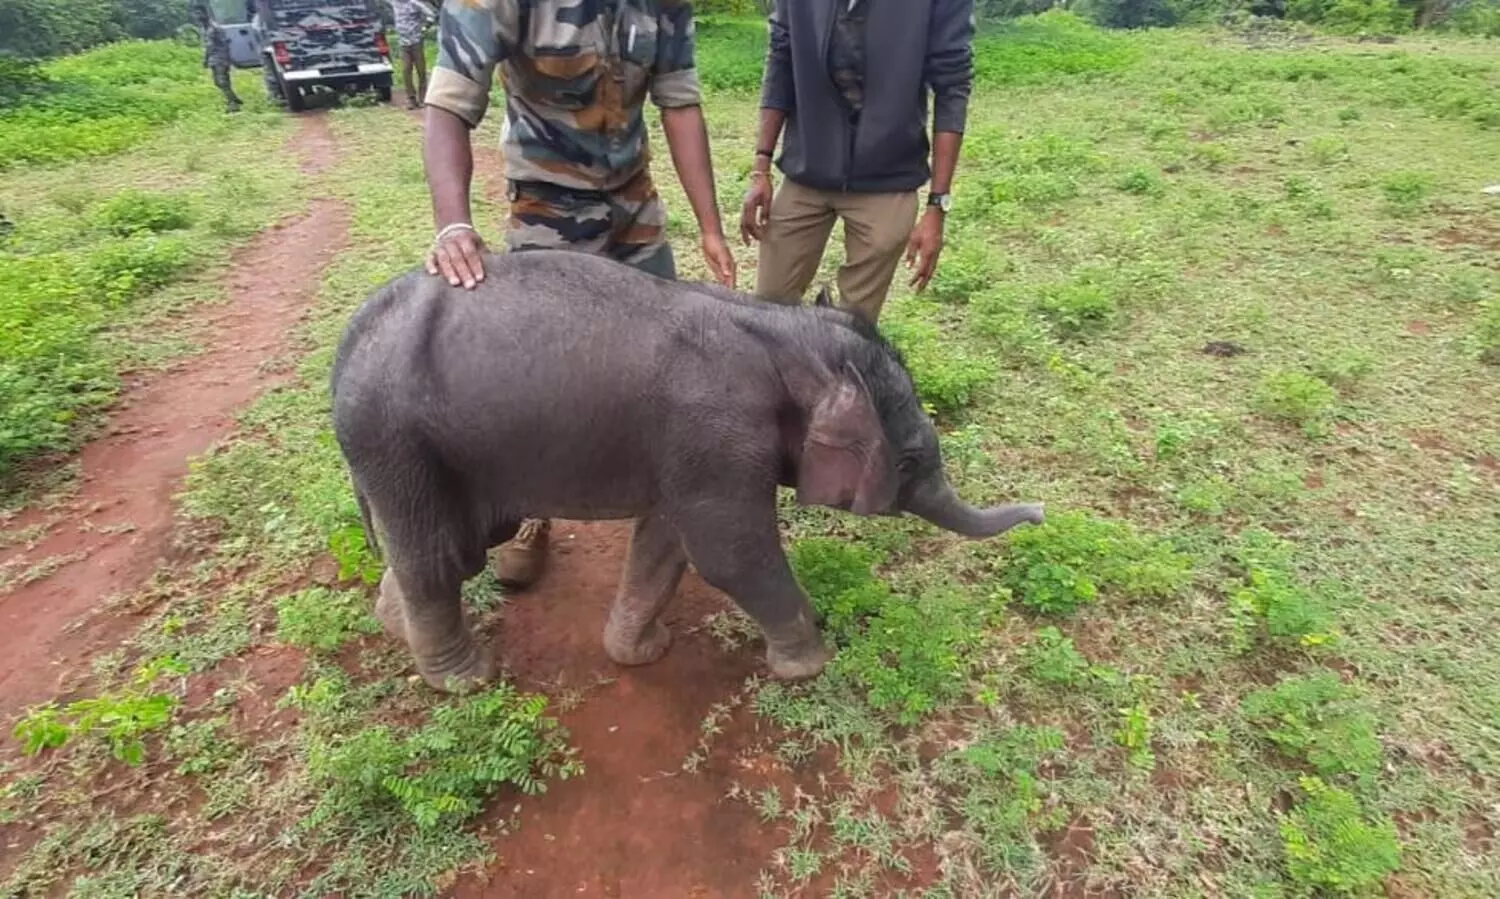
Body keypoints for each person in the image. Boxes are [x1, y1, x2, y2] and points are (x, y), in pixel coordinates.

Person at [421, 0, 737, 591]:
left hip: (633, 202)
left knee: (667, 366)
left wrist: (710, 226)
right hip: (547, 208)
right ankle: (530, 514)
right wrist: (453, 223)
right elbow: (448, 103)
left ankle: (661, 510)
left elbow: (681, 103)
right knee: (542, 380)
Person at [740, 0, 975, 326]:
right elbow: (782, 57)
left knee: (853, 330)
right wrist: (760, 168)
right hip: (806, 172)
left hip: (889, 180)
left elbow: (953, 85)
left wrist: (937, 205)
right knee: (767, 314)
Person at [189, 0, 245, 113]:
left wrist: (205, 59)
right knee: (219, 82)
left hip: (219, 58)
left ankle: (233, 104)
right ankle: (234, 99)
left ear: (205, 14)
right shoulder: (206, 27)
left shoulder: (212, 28)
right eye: (195, 14)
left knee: (222, 81)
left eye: (199, 14)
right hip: (216, 58)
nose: (197, 17)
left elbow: (212, 46)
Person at [391, 0, 437, 109]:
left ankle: (423, 98)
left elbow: (431, 14)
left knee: (420, 70)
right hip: (403, 44)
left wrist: (425, 27)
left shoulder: (414, 3)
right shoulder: (394, 3)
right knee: (406, 70)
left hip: (416, 41)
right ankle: (411, 99)